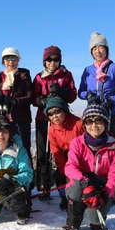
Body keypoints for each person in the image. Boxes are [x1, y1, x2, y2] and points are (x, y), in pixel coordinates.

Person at [60, 104, 115, 230]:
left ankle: (96, 218)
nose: (94, 125)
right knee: (75, 188)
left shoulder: (113, 145)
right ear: (84, 125)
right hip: (82, 181)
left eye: (98, 120)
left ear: (105, 123)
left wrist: (106, 193)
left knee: (95, 219)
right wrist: (85, 182)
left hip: (101, 184)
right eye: (89, 121)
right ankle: (72, 222)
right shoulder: (77, 142)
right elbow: (70, 167)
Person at [33, 45, 77, 195]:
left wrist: (60, 92)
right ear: (44, 62)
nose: (52, 62)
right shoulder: (39, 77)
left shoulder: (66, 75)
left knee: (61, 152)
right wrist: (44, 100)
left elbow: (72, 95)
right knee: (42, 153)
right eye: (49, 60)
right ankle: (43, 186)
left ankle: (65, 184)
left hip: (61, 119)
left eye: (56, 59)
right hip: (43, 118)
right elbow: (34, 98)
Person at [0, 116, 33, 225]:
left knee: (18, 197)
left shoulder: (19, 149)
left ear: (9, 133)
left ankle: (22, 212)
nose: (0, 135)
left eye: (4, 132)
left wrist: (12, 180)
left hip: (13, 186)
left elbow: (28, 173)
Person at [78, 32, 115, 140]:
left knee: (112, 143)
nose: (98, 51)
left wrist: (111, 100)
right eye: (94, 49)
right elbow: (80, 92)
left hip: (111, 112)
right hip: (93, 114)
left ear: (106, 49)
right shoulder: (88, 70)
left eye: (101, 47)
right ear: (91, 52)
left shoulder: (114, 68)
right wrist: (88, 95)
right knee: (93, 145)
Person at [0, 47, 33, 160]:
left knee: (24, 148)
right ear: (3, 61)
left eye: (14, 59)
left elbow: (30, 97)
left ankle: (27, 176)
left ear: (18, 60)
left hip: (21, 119)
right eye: (7, 59)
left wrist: (14, 101)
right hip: (3, 119)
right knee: (4, 149)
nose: (11, 62)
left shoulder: (24, 76)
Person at [45, 97, 84, 210]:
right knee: (59, 176)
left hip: (81, 159)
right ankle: (65, 197)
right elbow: (56, 151)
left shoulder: (78, 124)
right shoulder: (52, 129)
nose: (54, 116)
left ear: (64, 110)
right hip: (65, 159)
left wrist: (76, 168)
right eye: (50, 114)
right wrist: (65, 171)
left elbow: (85, 147)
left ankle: (80, 197)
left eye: (57, 111)